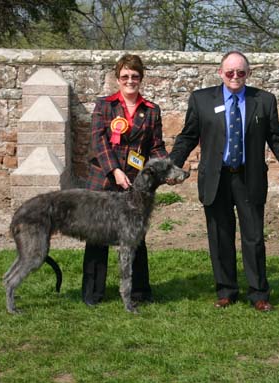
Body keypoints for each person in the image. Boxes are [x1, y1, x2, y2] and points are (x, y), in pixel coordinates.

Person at [168, 51, 279, 312]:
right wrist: (171, 165)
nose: (235, 77)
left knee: (253, 238)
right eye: (230, 72)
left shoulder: (263, 101)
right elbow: (187, 137)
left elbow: (277, 140)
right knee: (220, 237)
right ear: (220, 72)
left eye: (240, 72)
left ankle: (258, 293)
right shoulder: (201, 99)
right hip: (215, 179)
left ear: (248, 74)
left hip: (248, 177)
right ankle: (226, 290)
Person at [82, 54, 168, 306]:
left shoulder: (151, 110)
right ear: (117, 78)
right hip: (103, 180)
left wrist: (167, 167)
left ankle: (140, 293)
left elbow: (156, 146)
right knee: (97, 236)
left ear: (141, 78)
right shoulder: (105, 105)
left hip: (135, 185)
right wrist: (115, 171)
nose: (130, 81)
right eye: (125, 76)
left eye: (135, 76)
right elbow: (98, 141)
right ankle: (93, 294)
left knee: (136, 237)